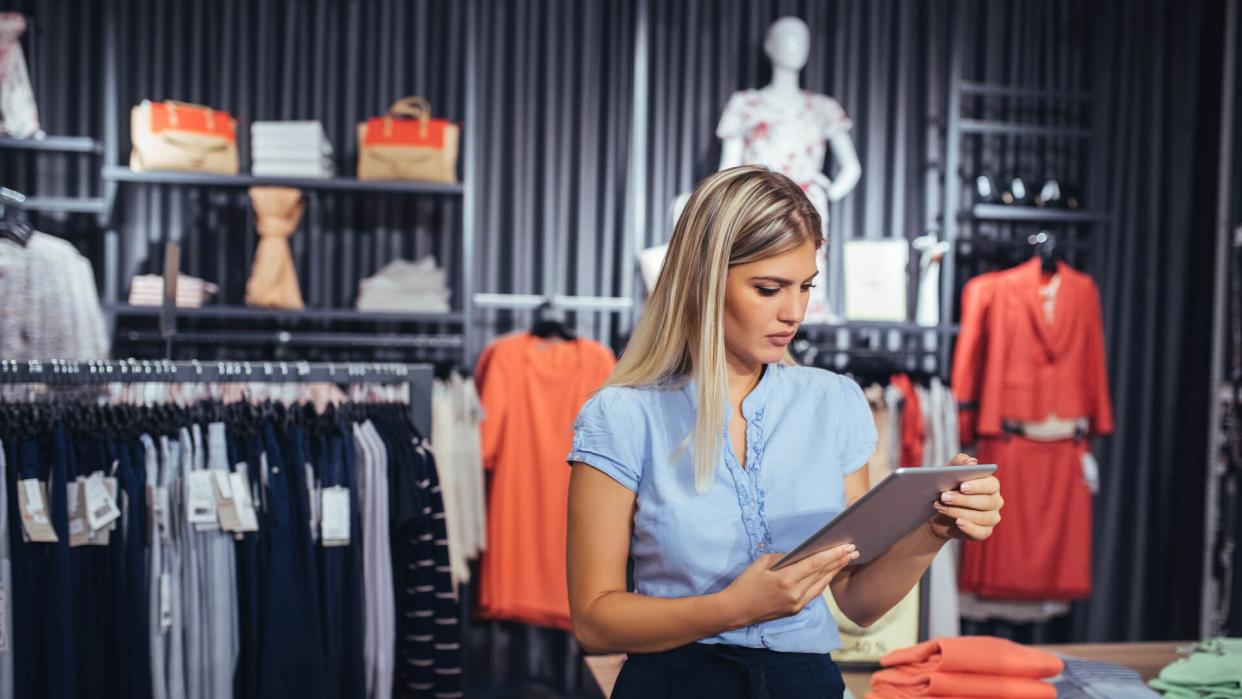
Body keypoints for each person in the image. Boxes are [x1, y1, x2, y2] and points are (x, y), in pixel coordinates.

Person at [566, 165, 1004, 698]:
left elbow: (858, 601)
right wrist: (734, 609)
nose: (794, 312)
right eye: (769, 288)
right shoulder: (620, 415)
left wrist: (934, 530)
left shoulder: (835, 402)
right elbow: (594, 620)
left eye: (806, 287)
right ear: (703, 280)